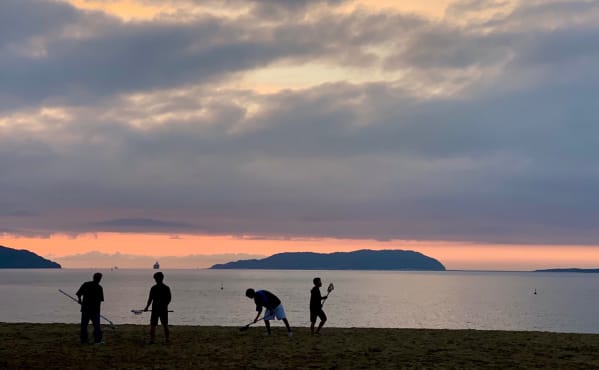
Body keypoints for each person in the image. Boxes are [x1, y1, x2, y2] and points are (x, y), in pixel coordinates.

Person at [76, 272, 104, 344]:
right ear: (99, 279)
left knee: (84, 325)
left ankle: (83, 340)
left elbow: (79, 294)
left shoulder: (86, 284)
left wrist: (80, 300)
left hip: (86, 309)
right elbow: (100, 300)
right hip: (95, 310)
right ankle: (97, 340)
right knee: (96, 326)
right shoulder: (99, 288)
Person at [144, 272, 172, 344]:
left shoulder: (154, 288)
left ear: (158, 279)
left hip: (156, 309)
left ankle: (153, 340)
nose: (155, 280)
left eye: (155, 279)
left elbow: (150, 299)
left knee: (154, 325)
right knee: (164, 325)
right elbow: (169, 299)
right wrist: (165, 305)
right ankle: (167, 340)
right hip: (162, 309)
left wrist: (147, 307)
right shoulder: (166, 288)